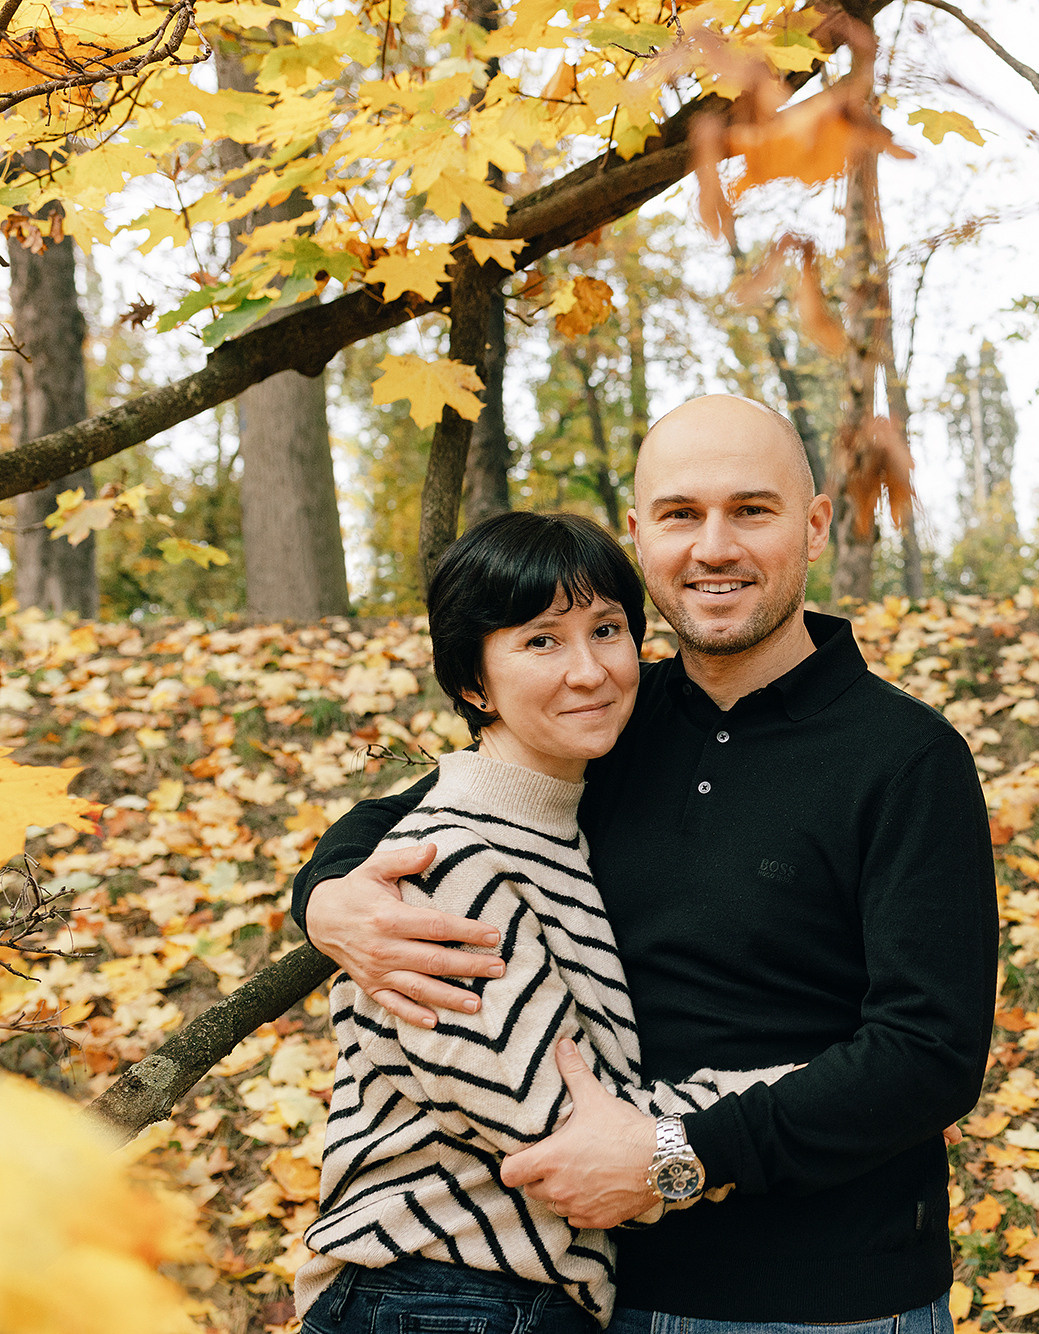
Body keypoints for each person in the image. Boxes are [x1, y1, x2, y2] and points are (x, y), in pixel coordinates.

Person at [291, 395, 1000, 1333]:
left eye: (752, 509)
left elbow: (928, 1057)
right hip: (603, 1292)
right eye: (679, 515)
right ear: (639, 535)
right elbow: (422, 809)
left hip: (826, 1298)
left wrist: (677, 1151)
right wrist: (329, 898)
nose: (713, 547)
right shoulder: (606, 712)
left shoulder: (906, 758)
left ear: (816, 525)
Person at [297, 511, 795, 1333]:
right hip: (440, 1295)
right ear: (470, 681)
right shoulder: (445, 864)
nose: (591, 671)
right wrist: (807, 1090)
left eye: (607, 630)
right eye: (541, 641)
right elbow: (568, 1146)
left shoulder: (559, 830)